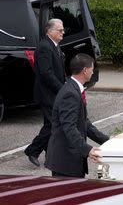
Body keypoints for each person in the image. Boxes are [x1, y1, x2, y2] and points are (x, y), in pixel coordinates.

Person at [45, 53, 109, 178]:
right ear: (85, 70)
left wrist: (107, 141)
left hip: (70, 160)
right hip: (65, 162)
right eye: (92, 68)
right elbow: (69, 127)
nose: (93, 71)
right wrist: (87, 149)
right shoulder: (70, 93)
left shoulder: (73, 89)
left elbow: (84, 123)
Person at [25, 19, 66, 167]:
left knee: (51, 123)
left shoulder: (55, 46)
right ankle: (33, 150)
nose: (63, 33)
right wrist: (62, 89)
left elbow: (59, 70)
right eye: (59, 30)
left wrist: (65, 84)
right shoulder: (44, 47)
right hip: (46, 93)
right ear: (49, 31)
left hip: (53, 92)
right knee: (53, 123)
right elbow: (46, 73)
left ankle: (50, 153)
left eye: (63, 30)